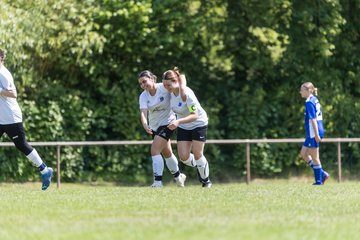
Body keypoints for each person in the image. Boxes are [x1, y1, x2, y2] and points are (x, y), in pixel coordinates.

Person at [0, 48, 53, 190]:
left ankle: (45, 170)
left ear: (1, 58)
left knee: (21, 145)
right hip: (0, 118)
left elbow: (13, 93)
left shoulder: (4, 74)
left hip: (11, 117)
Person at [162, 67, 212, 187]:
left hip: (198, 123)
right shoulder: (170, 92)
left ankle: (206, 181)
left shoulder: (186, 94)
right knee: (184, 157)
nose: (166, 88)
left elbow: (194, 116)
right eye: (164, 85)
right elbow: (182, 76)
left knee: (198, 154)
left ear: (175, 82)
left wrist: (178, 122)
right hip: (184, 125)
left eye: (168, 85)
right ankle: (202, 165)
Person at [138, 70, 186, 187]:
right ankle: (179, 176)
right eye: (141, 84)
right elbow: (143, 113)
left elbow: (178, 85)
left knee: (154, 150)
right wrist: (145, 124)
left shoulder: (164, 88)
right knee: (167, 153)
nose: (143, 85)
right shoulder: (143, 96)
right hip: (154, 127)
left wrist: (183, 92)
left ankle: (158, 182)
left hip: (168, 123)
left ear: (153, 79)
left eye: (144, 81)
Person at [299, 82, 329, 185]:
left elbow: (313, 120)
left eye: (302, 90)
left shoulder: (309, 102)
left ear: (309, 91)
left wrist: (316, 134)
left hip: (313, 132)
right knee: (303, 154)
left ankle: (319, 181)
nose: (300, 92)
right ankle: (322, 173)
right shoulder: (314, 99)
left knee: (315, 157)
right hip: (311, 132)